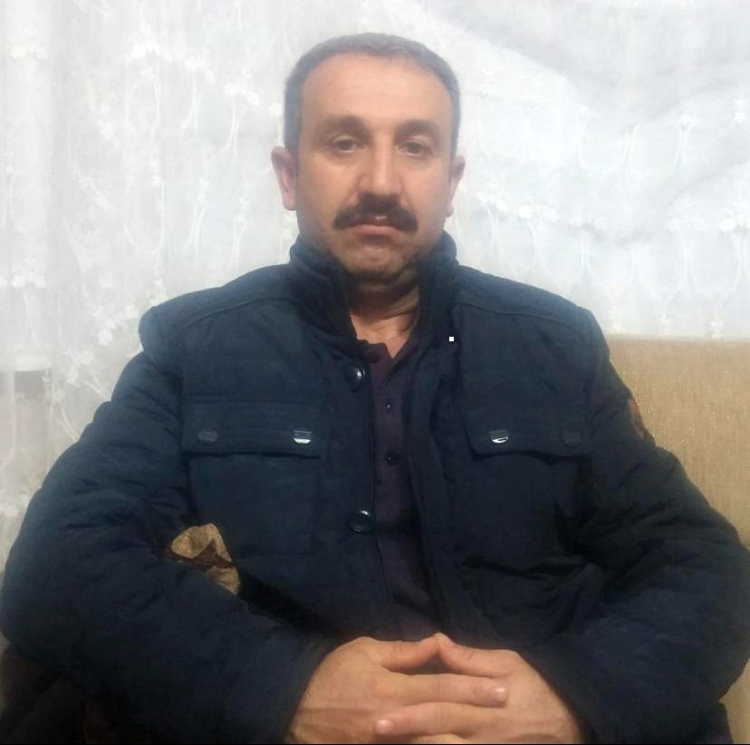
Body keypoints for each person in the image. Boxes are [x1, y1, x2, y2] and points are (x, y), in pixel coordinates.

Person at [1, 32, 748, 744]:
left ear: (451, 181)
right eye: (344, 142)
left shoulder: (553, 344)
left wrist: (573, 700)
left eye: (415, 147)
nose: (381, 183)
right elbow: (58, 566)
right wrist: (284, 688)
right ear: (289, 175)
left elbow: (705, 565)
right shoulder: (197, 346)